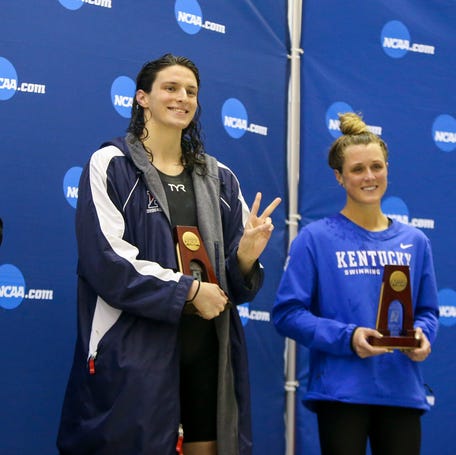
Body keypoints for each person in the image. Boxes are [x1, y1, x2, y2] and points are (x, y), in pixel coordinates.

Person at [57, 53, 281, 455]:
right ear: (142, 97)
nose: (183, 98)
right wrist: (190, 292)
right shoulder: (111, 165)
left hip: (208, 352)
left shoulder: (220, 178)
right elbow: (109, 262)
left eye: (191, 91)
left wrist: (246, 257)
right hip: (134, 350)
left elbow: (232, 283)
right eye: (171, 88)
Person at [272, 112, 439, 455]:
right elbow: (287, 313)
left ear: (387, 169)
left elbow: (427, 312)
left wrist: (421, 337)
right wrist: (348, 337)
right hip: (340, 392)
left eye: (376, 167)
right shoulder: (315, 239)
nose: (369, 177)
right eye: (357, 169)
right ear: (339, 177)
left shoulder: (415, 241)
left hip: (401, 391)